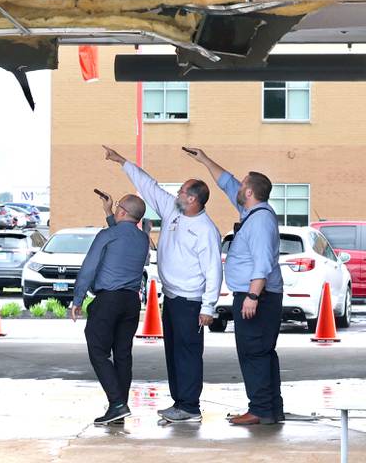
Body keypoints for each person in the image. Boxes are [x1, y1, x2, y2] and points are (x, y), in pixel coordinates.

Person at [103, 146, 222, 423]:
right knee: (174, 352)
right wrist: (122, 162)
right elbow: (149, 185)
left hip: (192, 302)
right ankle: (180, 403)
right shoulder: (173, 210)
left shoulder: (206, 230)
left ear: (193, 199)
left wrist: (209, 307)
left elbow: (214, 271)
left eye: (181, 191)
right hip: (172, 296)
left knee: (188, 353)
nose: (176, 194)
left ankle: (190, 407)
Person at [185, 147, 284, 426]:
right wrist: (204, 160)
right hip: (257, 294)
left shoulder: (261, 220)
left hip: (258, 297)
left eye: (243, 184)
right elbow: (226, 181)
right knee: (262, 352)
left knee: (253, 352)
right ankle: (271, 408)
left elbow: (262, 262)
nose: (237, 186)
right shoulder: (252, 212)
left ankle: (261, 409)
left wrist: (252, 295)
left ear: (251, 192)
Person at [71, 191, 149, 425]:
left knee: (98, 350)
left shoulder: (107, 235)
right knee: (123, 354)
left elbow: (88, 268)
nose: (115, 208)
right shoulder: (143, 239)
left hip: (108, 301)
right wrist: (108, 212)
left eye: (117, 207)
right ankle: (120, 406)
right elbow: (122, 235)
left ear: (122, 211)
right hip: (130, 302)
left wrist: (77, 299)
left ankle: (116, 403)